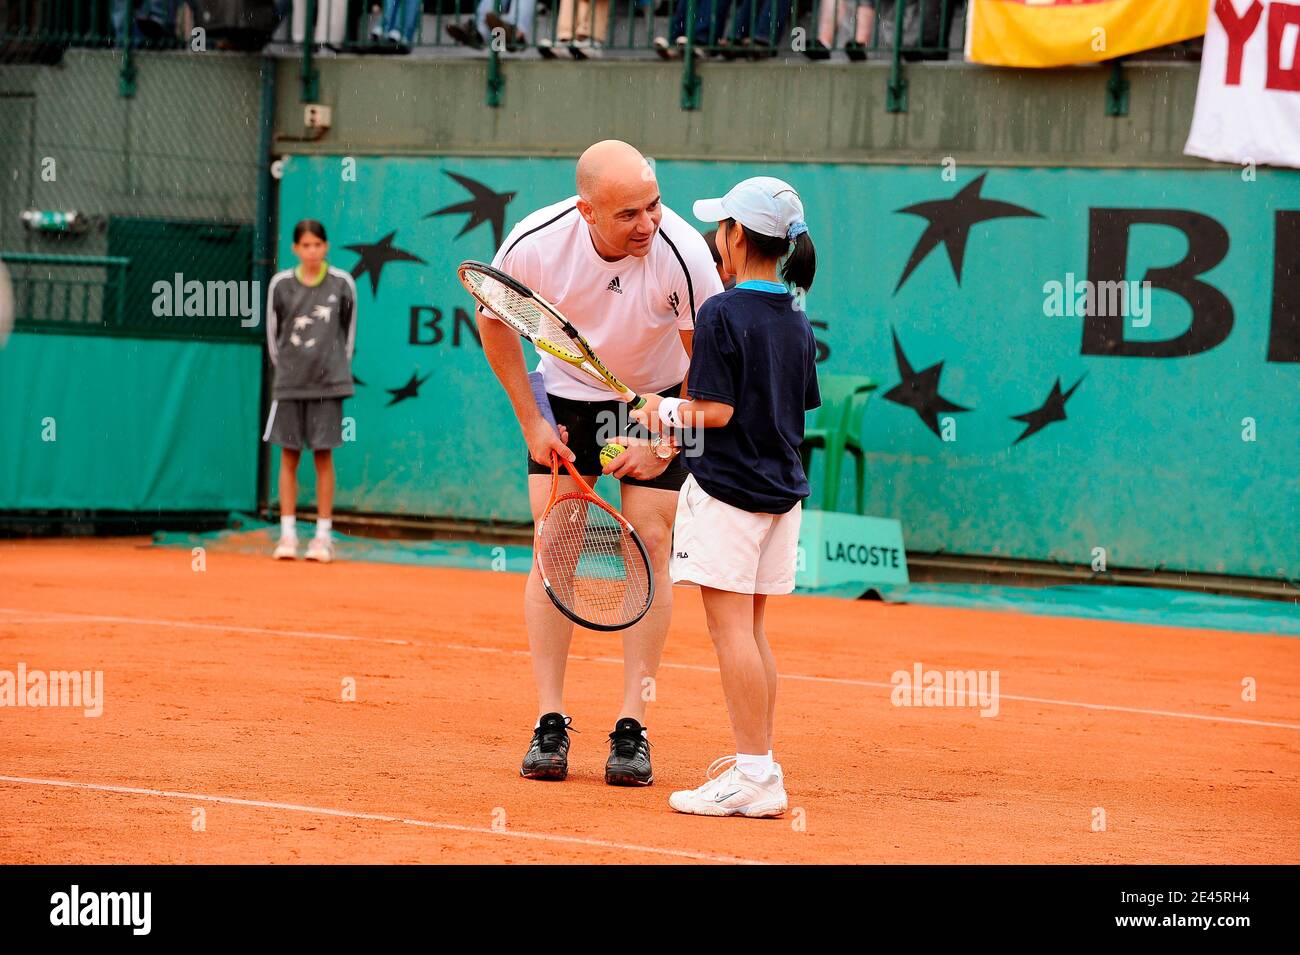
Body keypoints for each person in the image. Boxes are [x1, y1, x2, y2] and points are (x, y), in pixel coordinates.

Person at [475, 140, 723, 786]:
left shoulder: (684, 252)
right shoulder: (536, 241)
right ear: (587, 211)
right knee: (555, 542)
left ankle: (632, 726)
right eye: (628, 216)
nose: (648, 225)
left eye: (654, 206)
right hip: (566, 397)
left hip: (662, 397)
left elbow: (710, 364)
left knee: (654, 540)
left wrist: (665, 437)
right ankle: (550, 719)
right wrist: (531, 420)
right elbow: (495, 322)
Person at [632, 176, 819, 818]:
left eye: (721, 228)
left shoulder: (720, 311)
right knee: (754, 630)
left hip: (730, 493)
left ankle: (755, 774)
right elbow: (790, 405)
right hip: (781, 494)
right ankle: (760, 762)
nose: (716, 238)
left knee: (730, 630)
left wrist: (664, 411)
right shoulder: (796, 314)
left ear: (736, 236)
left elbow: (715, 410)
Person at [263, 220, 358, 564]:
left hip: (327, 384)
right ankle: (287, 535)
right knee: (288, 457)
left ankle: (322, 538)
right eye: (305, 245)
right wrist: (289, 371)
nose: (312, 251)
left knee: (322, 456)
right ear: (295, 249)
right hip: (289, 383)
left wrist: (331, 372)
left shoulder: (343, 284)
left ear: (326, 247)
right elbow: (273, 338)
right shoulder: (280, 285)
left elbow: (348, 336)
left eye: (317, 245)